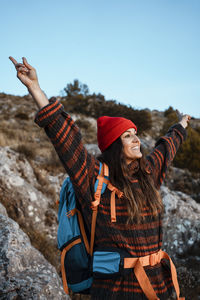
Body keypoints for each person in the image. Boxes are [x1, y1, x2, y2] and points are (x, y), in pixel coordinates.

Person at [9, 56, 190, 300]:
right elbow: (65, 139)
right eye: (127, 136)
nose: (136, 139)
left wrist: (180, 125)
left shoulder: (148, 172)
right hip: (114, 291)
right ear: (114, 145)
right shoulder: (93, 177)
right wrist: (35, 89)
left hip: (159, 288)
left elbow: (167, 147)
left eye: (135, 133)